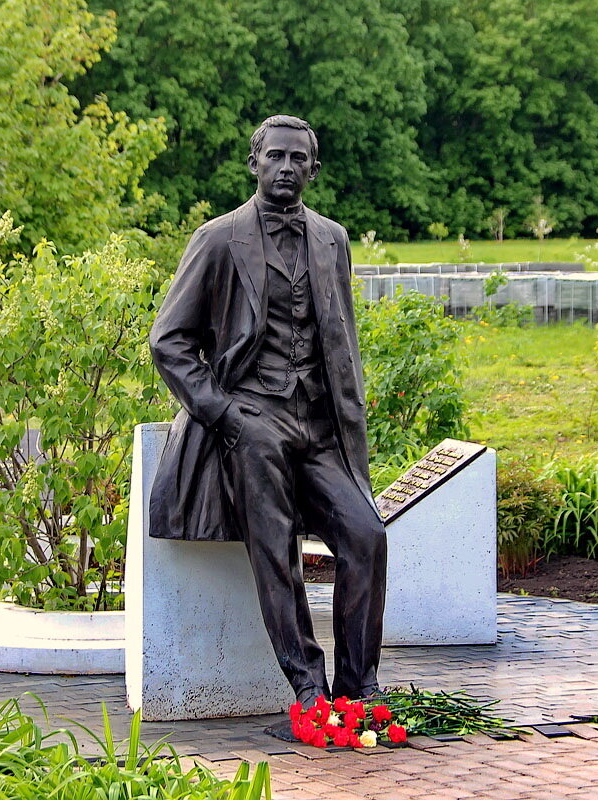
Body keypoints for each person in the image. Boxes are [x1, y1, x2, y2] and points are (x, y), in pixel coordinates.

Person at [148, 115, 386, 708]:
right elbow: (168, 341)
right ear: (254, 162)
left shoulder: (332, 239)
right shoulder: (218, 238)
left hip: (320, 424)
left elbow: (341, 338)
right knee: (275, 545)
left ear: (313, 168)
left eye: (297, 159)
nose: (286, 168)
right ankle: (308, 685)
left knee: (367, 536)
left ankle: (358, 691)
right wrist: (226, 415)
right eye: (275, 156)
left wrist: (346, 417)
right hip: (252, 421)